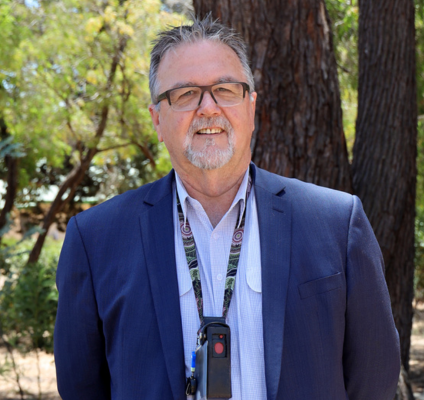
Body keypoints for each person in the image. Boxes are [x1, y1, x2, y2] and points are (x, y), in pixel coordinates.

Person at [54, 15, 400, 400]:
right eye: (185, 94)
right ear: (157, 119)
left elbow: (375, 375)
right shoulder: (95, 239)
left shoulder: (337, 222)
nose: (208, 107)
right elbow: (81, 386)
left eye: (225, 89)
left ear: (251, 107)